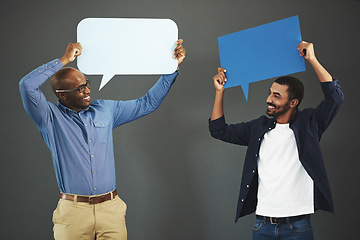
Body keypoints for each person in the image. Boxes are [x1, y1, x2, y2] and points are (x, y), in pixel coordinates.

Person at [19, 40, 186, 240]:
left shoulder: (105, 110)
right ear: (62, 96)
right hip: (73, 213)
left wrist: (171, 68)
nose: (87, 91)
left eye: (86, 84)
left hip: (111, 210)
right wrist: (64, 60)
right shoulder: (49, 118)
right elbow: (27, 85)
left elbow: (147, 103)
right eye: (79, 89)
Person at [209, 41, 344, 240]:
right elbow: (218, 130)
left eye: (276, 96)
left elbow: (335, 98)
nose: (269, 99)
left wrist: (312, 59)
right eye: (270, 93)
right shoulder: (258, 128)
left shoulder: (310, 124)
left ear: (293, 102)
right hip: (261, 224)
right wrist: (219, 92)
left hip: (297, 226)